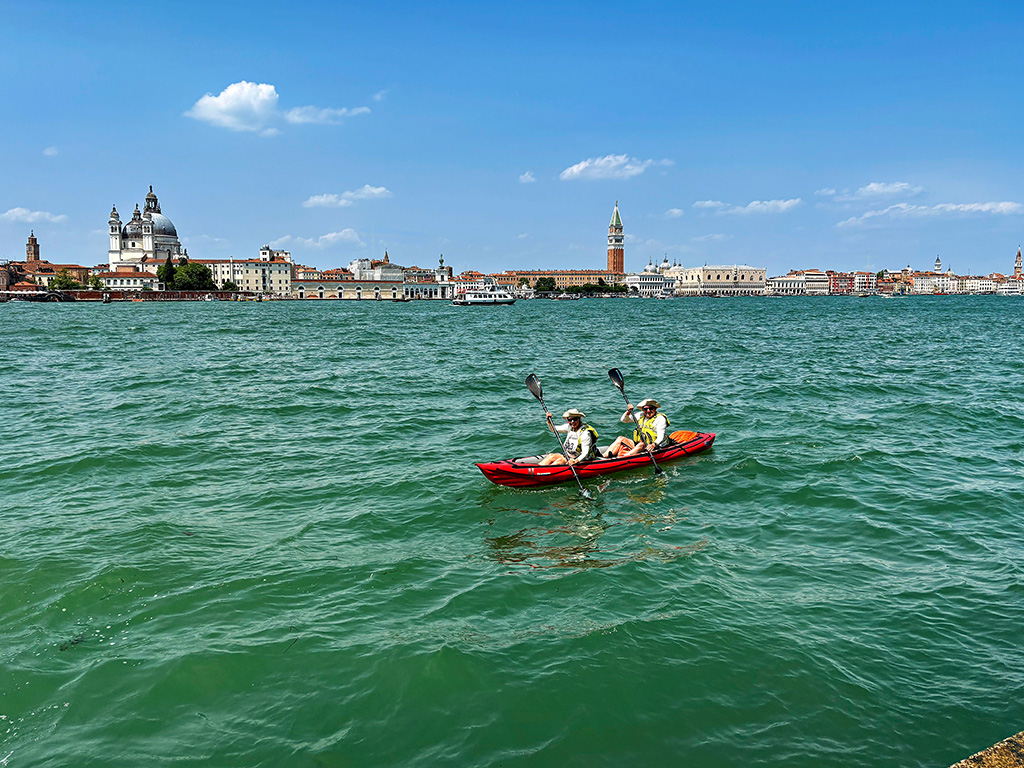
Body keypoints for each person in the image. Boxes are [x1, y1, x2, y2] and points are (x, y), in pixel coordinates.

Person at [605, 398, 670, 458]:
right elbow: (624, 420)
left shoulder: (660, 419)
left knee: (641, 444)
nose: (648, 411)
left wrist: (654, 445)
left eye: (651, 408)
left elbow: (661, 436)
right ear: (643, 410)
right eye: (645, 409)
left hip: (656, 446)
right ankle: (604, 456)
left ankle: (622, 458)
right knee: (620, 438)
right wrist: (628, 412)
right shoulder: (641, 415)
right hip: (642, 444)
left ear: (655, 409)